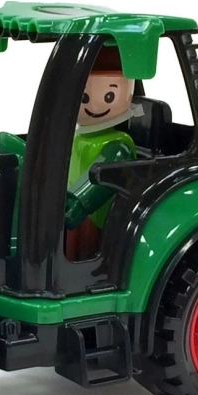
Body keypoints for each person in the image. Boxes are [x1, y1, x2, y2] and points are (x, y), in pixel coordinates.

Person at [64, 45, 142, 261]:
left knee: (88, 246)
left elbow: (103, 175)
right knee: (70, 246)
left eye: (109, 96)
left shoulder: (119, 144)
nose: (95, 106)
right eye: (84, 98)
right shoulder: (78, 137)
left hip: (100, 212)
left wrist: (80, 203)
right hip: (70, 205)